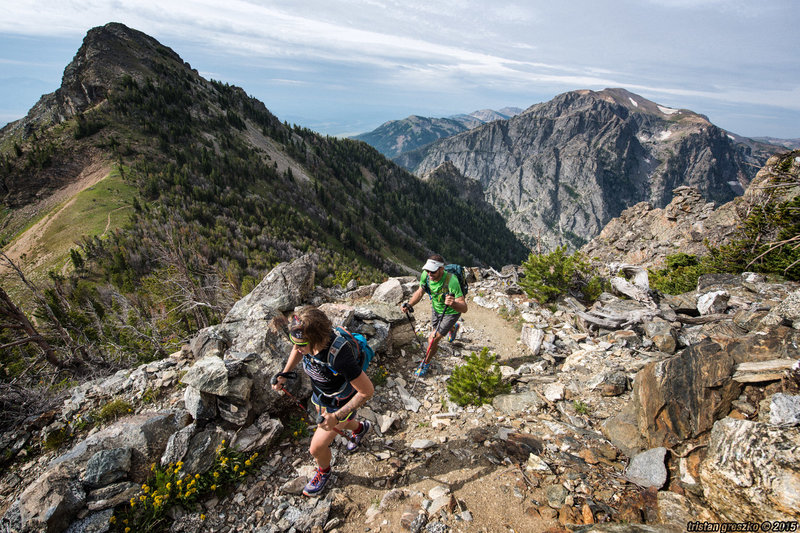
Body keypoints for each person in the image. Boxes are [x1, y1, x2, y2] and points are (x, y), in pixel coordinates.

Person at [271, 306, 374, 496]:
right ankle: (361, 429)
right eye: (295, 342)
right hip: (322, 396)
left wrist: (336, 416)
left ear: (316, 340)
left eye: (301, 345)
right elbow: (297, 348)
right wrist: (285, 374)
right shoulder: (305, 343)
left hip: (341, 402)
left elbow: (367, 391)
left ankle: (323, 472)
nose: (297, 348)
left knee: (316, 448)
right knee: (334, 425)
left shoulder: (339, 357)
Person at [401, 254, 468, 376]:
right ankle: (453, 328)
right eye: (427, 271)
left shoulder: (452, 281)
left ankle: (425, 363)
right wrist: (410, 304)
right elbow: (420, 292)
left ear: (441, 269)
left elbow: (464, 308)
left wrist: (453, 304)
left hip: (451, 312)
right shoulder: (426, 275)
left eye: (432, 271)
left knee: (433, 339)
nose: (429, 274)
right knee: (437, 332)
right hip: (436, 309)